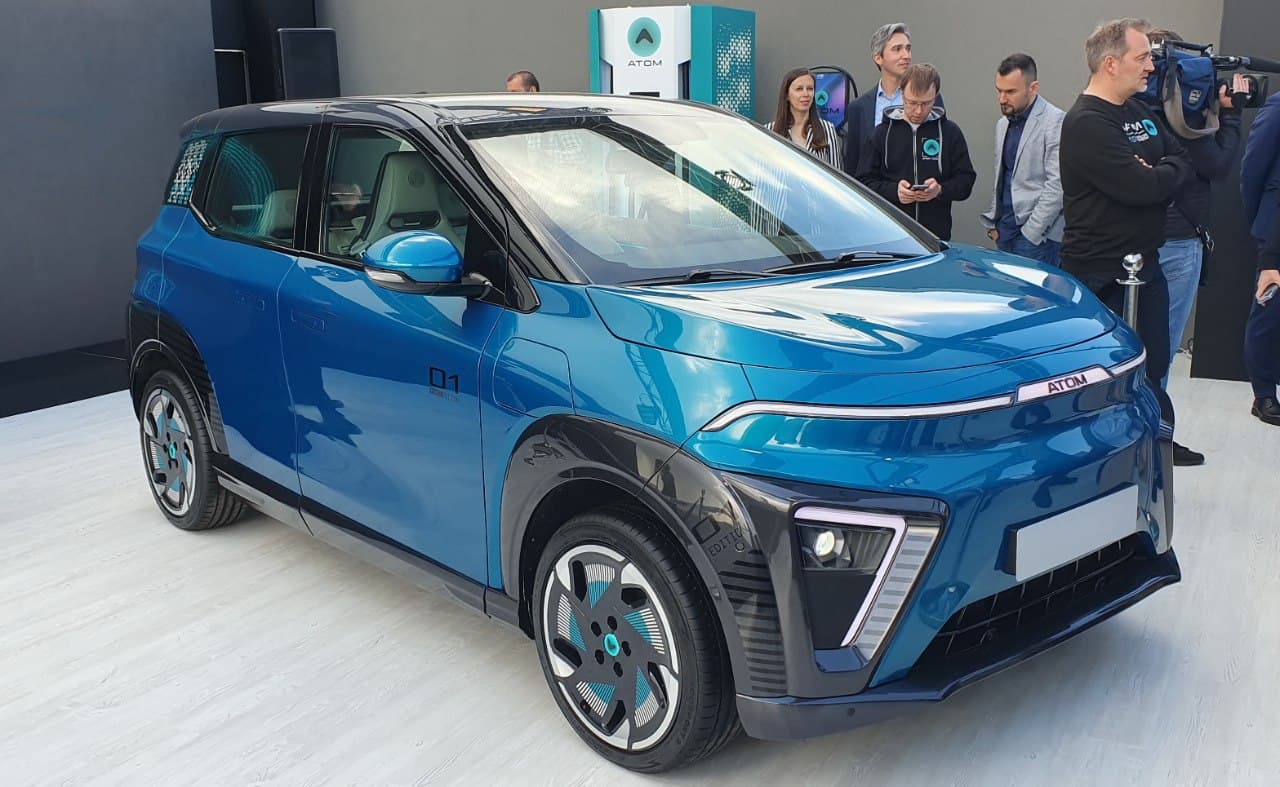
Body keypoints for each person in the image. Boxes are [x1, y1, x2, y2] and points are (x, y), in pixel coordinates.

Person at [1059, 18, 1191, 425]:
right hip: (1103, 274)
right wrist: (1157, 176)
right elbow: (1141, 188)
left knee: (1155, 366)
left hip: (1147, 266)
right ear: (1111, 64)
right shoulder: (1087, 122)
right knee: (1110, 376)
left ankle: (1157, 439)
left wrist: (1158, 173)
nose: (1151, 66)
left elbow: (1182, 161)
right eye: (1142, 57)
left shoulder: (1138, 110)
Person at [1143, 29, 1247, 464]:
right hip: (1178, 243)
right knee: (1162, 349)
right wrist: (1231, 116)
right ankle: (1156, 440)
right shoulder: (1186, 121)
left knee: (1138, 346)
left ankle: (1141, 436)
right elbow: (1218, 165)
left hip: (1141, 242)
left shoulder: (1137, 113)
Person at [855, 63, 975, 240]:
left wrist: (940, 190)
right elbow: (862, 183)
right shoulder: (881, 134)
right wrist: (894, 191)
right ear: (902, 94)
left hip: (935, 235)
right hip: (891, 234)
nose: (919, 111)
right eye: (912, 103)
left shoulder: (950, 132)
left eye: (926, 103)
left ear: (936, 97)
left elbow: (966, 181)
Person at [980, 53, 1065, 266]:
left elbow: (1057, 186)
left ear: (1033, 88)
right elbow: (1002, 177)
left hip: (1037, 239)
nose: (1002, 99)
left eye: (1010, 92)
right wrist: (996, 225)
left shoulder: (1055, 122)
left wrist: (1032, 234)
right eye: (999, 90)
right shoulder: (1003, 124)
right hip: (1004, 232)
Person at [842, 23, 944, 177]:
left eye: (908, 48)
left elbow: (941, 149)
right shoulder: (859, 108)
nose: (906, 55)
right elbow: (852, 166)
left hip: (920, 188)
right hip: (873, 190)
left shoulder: (930, 99)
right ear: (878, 58)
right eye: (897, 49)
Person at [1240, 90, 1280, 426]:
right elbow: (1252, 170)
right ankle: (1264, 394)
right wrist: (1263, 221)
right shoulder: (1279, 106)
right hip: (1276, 226)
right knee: (1269, 311)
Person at [766, 68, 841, 167]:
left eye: (810, 89)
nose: (806, 94)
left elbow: (835, 171)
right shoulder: (769, 131)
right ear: (787, 95)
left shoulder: (827, 129)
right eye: (799, 89)